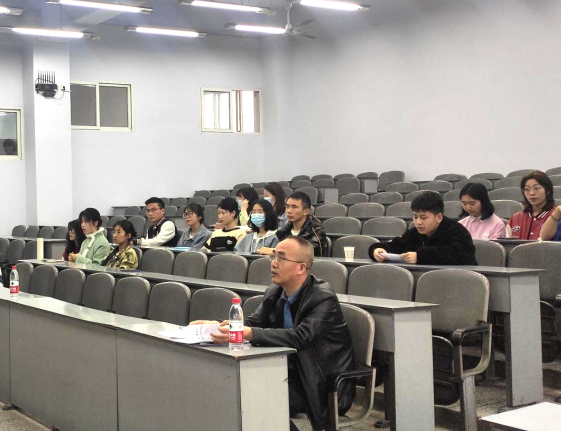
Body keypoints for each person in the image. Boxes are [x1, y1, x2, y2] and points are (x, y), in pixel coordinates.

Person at [192, 237, 355, 431]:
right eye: (273, 257)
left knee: (257, 401)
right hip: (283, 371)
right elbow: (255, 322)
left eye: (281, 258)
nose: (274, 263)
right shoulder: (275, 291)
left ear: (301, 267)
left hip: (320, 382)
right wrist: (220, 325)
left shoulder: (322, 298)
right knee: (230, 390)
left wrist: (248, 333)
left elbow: (300, 337)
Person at [369, 191, 477, 265]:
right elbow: (397, 245)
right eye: (415, 217)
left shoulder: (457, 231)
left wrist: (420, 256)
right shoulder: (414, 234)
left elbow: (462, 255)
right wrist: (378, 250)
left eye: (423, 217)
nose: (418, 222)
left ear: (439, 217)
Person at [276, 191, 328, 257]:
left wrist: (274, 251)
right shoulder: (283, 231)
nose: (289, 211)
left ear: (306, 211)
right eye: (287, 206)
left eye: (294, 207)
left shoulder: (317, 231)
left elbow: (306, 253)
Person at [507, 171, 555, 240]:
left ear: (548, 190)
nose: (531, 193)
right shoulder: (515, 218)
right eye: (527, 189)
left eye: (536, 188)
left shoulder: (556, 217)